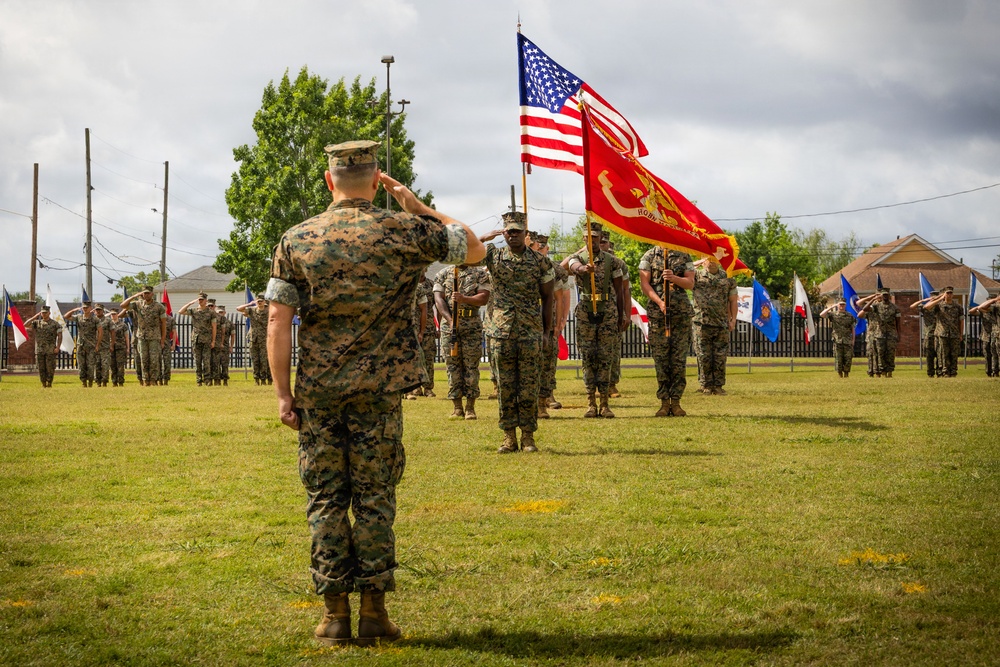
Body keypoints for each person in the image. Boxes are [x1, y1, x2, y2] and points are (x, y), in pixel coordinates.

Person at [265, 140, 485, 646]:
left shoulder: (296, 238)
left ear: (329, 180)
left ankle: (333, 617)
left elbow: (278, 320)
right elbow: (474, 248)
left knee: (325, 498)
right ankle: (374, 614)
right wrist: (419, 206)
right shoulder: (405, 230)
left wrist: (283, 394)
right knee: (374, 497)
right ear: (376, 177)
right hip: (380, 391)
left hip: (318, 392)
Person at [481, 211, 554, 450]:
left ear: (526, 233)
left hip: (530, 331)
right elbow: (465, 254)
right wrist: (488, 236)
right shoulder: (493, 256)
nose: (512, 235)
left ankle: (528, 436)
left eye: (517, 231)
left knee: (529, 385)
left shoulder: (540, 261)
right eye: (508, 231)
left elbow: (548, 298)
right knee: (505, 385)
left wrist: (546, 333)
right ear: (504, 232)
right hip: (500, 331)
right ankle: (509, 436)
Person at [567, 222, 623, 418]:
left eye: (595, 238)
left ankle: (605, 403)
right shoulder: (578, 258)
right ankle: (591, 403)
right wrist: (583, 269)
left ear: (600, 239)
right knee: (588, 357)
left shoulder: (612, 261)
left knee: (606, 358)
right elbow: (570, 266)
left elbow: (620, 289)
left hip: (607, 311)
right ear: (584, 239)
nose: (592, 241)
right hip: (585, 311)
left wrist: (621, 315)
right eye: (588, 238)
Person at [639, 246, 694, 416]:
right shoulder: (649, 256)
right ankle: (664, 402)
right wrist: (660, 303)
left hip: (680, 315)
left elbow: (690, 283)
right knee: (661, 360)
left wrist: (674, 278)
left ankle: (676, 402)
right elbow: (644, 284)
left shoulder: (684, 254)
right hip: (658, 315)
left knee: (678, 360)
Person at [434, 263, 490, 419]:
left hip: (471, 324)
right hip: (450, 326)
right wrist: (450, 320)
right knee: (452, 365)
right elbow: (438, 300)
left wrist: (464, 298)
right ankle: (457, 406)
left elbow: (484, 297)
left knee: (471, 365)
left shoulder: (479, 274)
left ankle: (470, 407)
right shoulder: (443, 274)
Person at [528, 231, 570, 415]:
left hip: (548, 320)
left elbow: (560, 297)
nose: (539, 250)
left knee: (548, 361)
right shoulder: (523, 267)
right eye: (534, 246)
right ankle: (531, 401)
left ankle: (546, 397)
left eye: (541, 247)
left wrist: (560, 322)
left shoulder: (554, 269)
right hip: (528, 320)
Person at [691, 257, 737, 395]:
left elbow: (733, 300)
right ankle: (705, 385)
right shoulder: (696, 275)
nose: (711, 261)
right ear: (703, 260)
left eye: (714, 258)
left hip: (721, 323)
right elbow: (681, 269)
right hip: (701, 323)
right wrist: (697, 262)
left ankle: (718, 385)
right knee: (703, 355)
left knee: (720, 356)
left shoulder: (728, 278)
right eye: (708, 258)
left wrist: (733, 319)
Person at [602, 235, 631, 399]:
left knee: (613, 351)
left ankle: (612, 384)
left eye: (604, 242)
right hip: (594, 312)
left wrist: (625, 314)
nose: (602, 244)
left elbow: (626, 291)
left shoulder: (618, 264)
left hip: (614, 312)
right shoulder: (585, 260)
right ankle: (596, 385)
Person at [121, 286, 167, 386]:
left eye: (148, 293)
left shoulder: (159, 307)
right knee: (143, 359)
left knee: (154, 360)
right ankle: (146, 380)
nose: (146, 295)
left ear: (152, 294)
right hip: (141, 337)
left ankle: (153, 380)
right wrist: (134, 296)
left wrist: (163, 340)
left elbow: (163, 324)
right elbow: (123, 305)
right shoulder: (138, 304)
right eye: (144, 293)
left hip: (154, 337)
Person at [858, 288, 901, 378]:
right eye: (882, 294)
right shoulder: (875, 306)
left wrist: (899, 334)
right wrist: (873, 298)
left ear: (889, 295)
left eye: (886, 295)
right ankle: (879, 371)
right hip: (878, 333)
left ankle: (889, 371)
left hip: (890, 333)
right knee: (878, 353)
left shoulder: (894, 307)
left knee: (890, 352)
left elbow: (898, 322)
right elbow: (863, 309)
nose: (884, 296)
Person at [925, 286, 964, 377]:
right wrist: (939, 299)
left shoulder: (958, 307)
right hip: (942, 334)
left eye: (951, 293)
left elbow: (961, 321)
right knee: (943, 353)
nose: (949, 295)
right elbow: (927, 307)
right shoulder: (939, 306)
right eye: (947, 293)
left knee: (954, 354)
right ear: (944, 294)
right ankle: (945, 371)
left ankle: (953, 372)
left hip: (954, 334)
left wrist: (961, 334)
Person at [179, 292, 216, 386]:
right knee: (197, 360)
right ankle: (199, 380)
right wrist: (190, 303)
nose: (200, 301)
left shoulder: (211, 312)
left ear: (206, 301)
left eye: (202, 300)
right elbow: (181, 312)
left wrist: (213, 340)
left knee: (206, 360)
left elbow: (214, 326)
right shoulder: (194, 311)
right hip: (196, 339)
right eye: (199, 299)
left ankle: (207, 380)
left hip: (207, 339)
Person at [23, 305, 62, 387]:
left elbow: (60, 335)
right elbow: (25, 325)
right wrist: (35, 316)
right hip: (40, 350)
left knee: (50, 368)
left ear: (49, 313)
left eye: (45, 313)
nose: (44, 314)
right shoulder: (37, 323)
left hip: (50, 350)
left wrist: (58, 347)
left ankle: (49, 383)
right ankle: (43, 384)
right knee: (41, 368)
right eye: (42, 313)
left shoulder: (55, 324)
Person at [238, 294, 272, 385]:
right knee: (255, 360)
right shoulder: (252, 310)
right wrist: (249, 304)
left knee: (264, 360)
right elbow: (239, 309)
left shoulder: (269, 311)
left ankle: (264, 379)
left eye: (261, 301)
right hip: (254, 338)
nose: (259, 302)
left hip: (265, 338)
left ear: (264, 302)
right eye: (258, 301)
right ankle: (256, 379)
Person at [819, 300, 857, 377]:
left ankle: (846, 373)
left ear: (845, 305)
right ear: (838, 305)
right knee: (838, 358)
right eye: (840, 304)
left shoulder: (850, 316)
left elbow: (852, 329)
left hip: (847, 340)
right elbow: (822, 315)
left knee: (848, 358)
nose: (841, 306)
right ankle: (840, 374)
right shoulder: (833, 315)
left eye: (843, 305)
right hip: (837, 340)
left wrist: (853, 340)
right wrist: (832, 307)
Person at [64, 301, 98, 387]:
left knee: (90, 365)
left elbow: (100, 331)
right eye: (83, 308)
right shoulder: (78, 317)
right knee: (81, 365)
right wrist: (74, 310)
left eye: (87, 308)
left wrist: (97, 344)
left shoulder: (95, 319)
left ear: (90, 308)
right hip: (81, 345)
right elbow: (66, 316)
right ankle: (83, 382)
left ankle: (90, 382)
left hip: (91, 345)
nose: (85, 309)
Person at [910, 290, 941, 377]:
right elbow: (912, 307)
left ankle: (939, 373)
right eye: (932, 297)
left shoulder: (940, 307)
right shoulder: (925, 308)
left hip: (939, 334)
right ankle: (930, 374)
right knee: (929, 356)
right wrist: (922, 300)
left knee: (940, 355)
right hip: (929, 335)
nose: (934, 299)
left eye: (936, 297)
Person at [970, 293, 1000, 377]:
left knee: (995, 354)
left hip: (995, 334)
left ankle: (995, 371)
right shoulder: (985, 311)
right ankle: (988, 371)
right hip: (986, 336)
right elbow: (972, 311)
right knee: (987, 355)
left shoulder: (996, 311)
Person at [109, 310, 129, 387]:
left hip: (120, 347)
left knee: (120, 365)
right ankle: (114, 382)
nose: (113, 316)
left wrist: (128, 348)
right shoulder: (108, 324)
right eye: (111, 314)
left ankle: (120, 382)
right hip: (111, 347)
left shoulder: (123, 325)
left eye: (114, 314)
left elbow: (126, 337)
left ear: (117, 314)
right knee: (112, 365)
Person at [216, 305, 234, 385]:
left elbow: (233, 335)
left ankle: (225, 381)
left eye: (222, 312)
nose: (220, 314)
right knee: (216, 364)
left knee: (225, 364)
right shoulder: (214, 322)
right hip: (216, 346)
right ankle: (218, 380)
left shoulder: (229, 323)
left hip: (225, 347)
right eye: (219, 312)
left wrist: (231, 346)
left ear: (225, 313)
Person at [93, 304, 111, 387]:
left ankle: (104, 381)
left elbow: (113, 332)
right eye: (96, 310)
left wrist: (112, 344)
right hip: (94, 346)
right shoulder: (92, 320)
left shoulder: (107, 320)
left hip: (105, 346)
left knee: (105, 365)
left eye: (99, 310)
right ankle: (98, 382)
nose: (98, 311)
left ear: (103, 310)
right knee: (96, 364)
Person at [161, 310, 176, 385]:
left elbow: (174, 332)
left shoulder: (171, 319)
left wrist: (173, 344)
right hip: (157, 342)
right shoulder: (156, 318)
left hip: (167, 343)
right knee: (156, 362)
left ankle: (166, 379)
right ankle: (158, 380)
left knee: (167, 362)